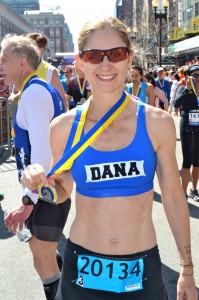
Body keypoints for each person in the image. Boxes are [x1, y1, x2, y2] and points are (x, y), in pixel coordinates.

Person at [21, 16, 197, 300]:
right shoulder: (64, 127)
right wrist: (36, 181)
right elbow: (61, 191)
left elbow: (175, 199)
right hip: (82, 270)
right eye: (94, 55)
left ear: (130, 59)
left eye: (116, 54)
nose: (105, 64)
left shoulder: (157, 123)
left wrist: (187, 270)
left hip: (143, 269)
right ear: (81, 62)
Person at [0, 34, 71, 300]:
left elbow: (43, 154)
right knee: (46, 259)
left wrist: (27, 201)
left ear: (22, 62)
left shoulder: (33, 93)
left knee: (43, 263)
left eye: (4, 60)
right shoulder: (34, 89)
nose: (1, 66)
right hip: (45, 190)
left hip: (44, 191)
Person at [9, 33, 68, 111]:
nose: (27, 51)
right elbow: (13, 95)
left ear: (41, 50)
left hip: (46, 119)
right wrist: (19, 96)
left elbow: (62, 100)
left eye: (31, 48)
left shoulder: (50, 71)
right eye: (26, 48)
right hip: (24, 119)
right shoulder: (20, 69)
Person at [174, 64, 199, 202]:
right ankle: (182, 191)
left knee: (197, 161)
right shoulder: (183, 88)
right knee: (187, 161)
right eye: (194, 75)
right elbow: (176, 104)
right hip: (187, 128)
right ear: (187, 76)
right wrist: (187, 89)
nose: (197, 78)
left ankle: (194, 189)